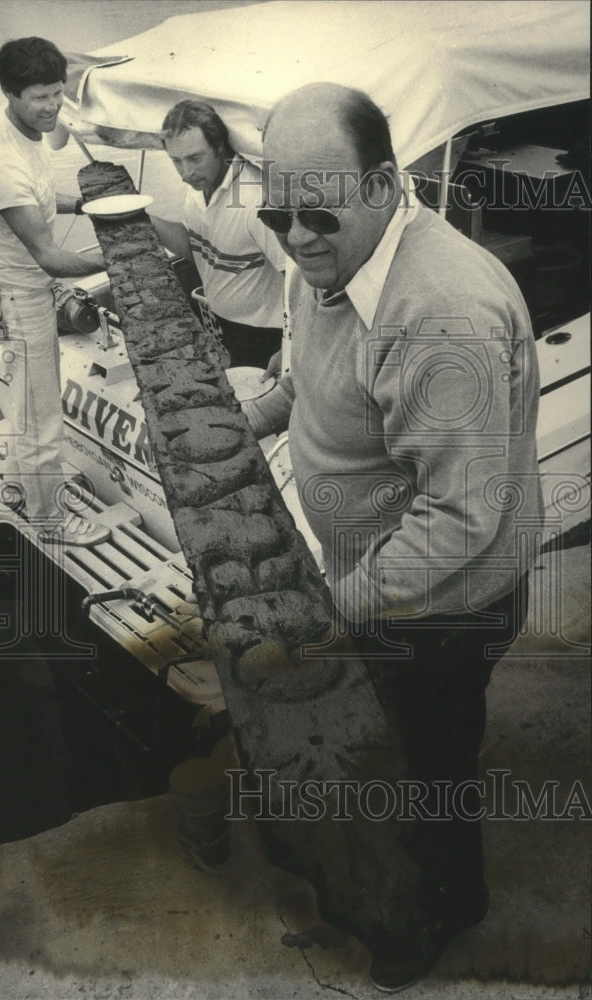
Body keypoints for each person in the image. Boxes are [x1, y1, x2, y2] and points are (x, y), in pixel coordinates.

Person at [243, 82, 544, 991]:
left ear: (382, 185)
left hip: (444, 604)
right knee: (389, 750)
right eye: (277, 212)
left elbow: (460, 516)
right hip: (377, 580)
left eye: (316, 214)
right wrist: (247, 415)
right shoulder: (328, 263)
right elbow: (308, 380)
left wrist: (331, 613)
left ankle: (437, 916)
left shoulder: (437, 312)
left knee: (422, 773)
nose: (295, 238)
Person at [0, 37, 110, 545]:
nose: (52, 107)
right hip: (17, 299)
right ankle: (49, 521)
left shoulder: (23, 131)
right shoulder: (2, 162)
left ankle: (14, 485)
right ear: (9, 92)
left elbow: (42, 200)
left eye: (57, 93)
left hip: (22, 293)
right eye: (39, 97)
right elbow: (50, 257)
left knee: (29, 408)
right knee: (41, 421)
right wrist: (123, 259)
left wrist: (87, 206)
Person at [151, 100, 285, 371]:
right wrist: (142, 219)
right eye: (176, 161)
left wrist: (290, 348)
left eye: (195, 158)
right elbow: (196, 248)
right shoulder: (197, 187)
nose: (186, 173)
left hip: (265, 337)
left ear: (220, 147)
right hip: (218, 324)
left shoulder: (256, 199)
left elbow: (301, 279)